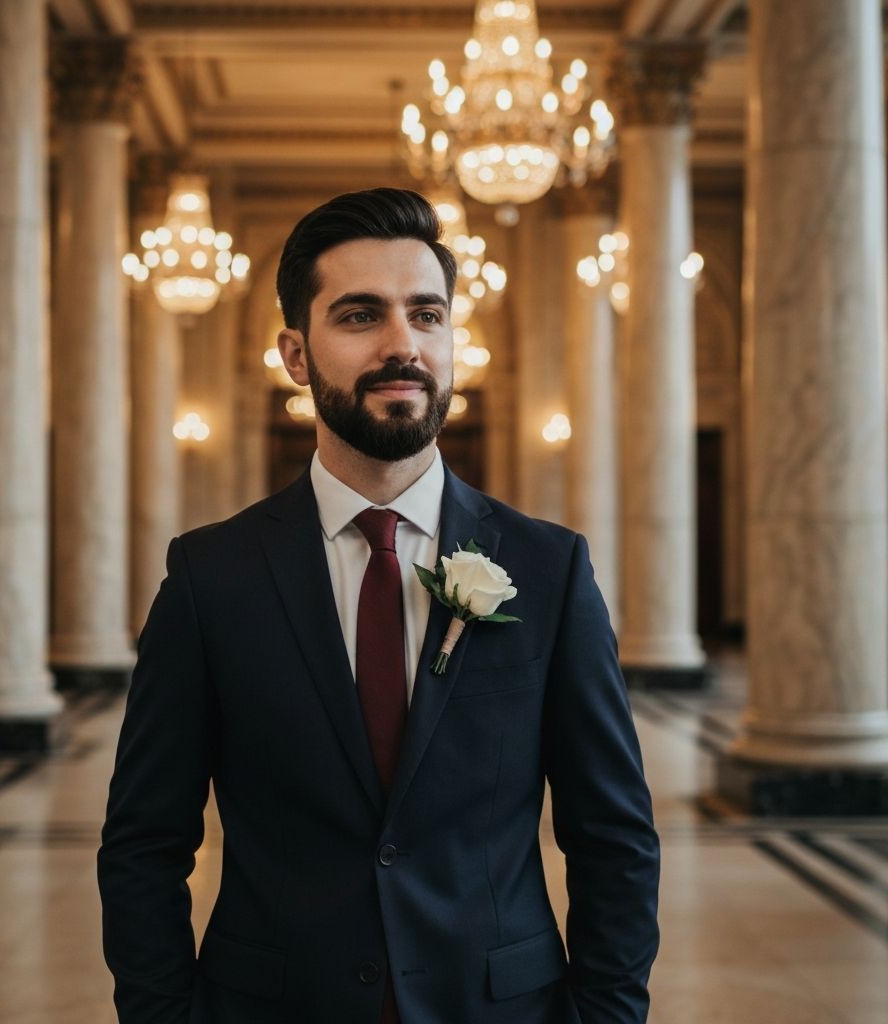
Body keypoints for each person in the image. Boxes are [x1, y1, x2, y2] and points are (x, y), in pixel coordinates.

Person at [98, 187, 660, 1024]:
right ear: (296, 353)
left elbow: (613, 837)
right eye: (361, 315)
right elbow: (145, 842)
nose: (404, 344)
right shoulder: (211, 578)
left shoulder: (549, 570)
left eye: (427, 314)